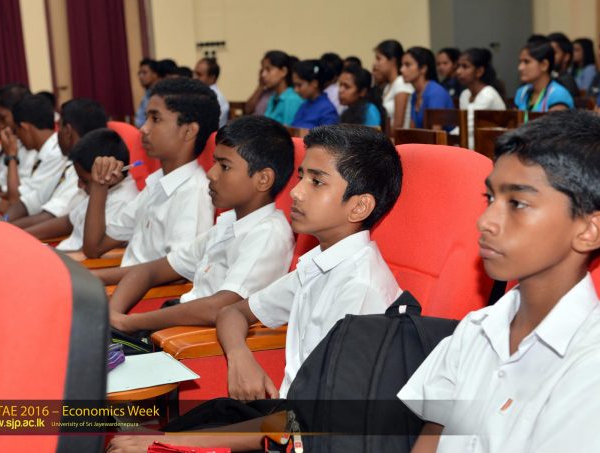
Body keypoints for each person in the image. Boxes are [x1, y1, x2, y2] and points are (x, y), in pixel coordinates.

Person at [106, 125, 405, 452]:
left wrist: (165, 443)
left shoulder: (359, 290)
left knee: (144, 440)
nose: (296, 192)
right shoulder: (317, 267)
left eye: (317, 182)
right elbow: (233, 312)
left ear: (359, 207)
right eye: (301, 177)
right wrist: (239, 356)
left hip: (306, 437)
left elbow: (314, 424)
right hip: (283, 421)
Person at [399, 110, 600, 452]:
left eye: (517, 203)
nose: (485, 221)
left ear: (589, 231)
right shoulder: (476, 328)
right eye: (490, 198)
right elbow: (431, 438)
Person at [109, 116, 295, 334]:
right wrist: (114, 315)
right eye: (214, 162)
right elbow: (149, 271)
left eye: (224, 166)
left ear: (263, 179)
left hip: (194, 340)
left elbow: (220, 308)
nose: (211, 173)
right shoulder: (228, 224)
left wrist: (130, 323)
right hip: (175, 327)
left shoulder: (268, 235)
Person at [84, 78, 218, 285]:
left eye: (155, 119)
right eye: (146, 118)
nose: (143, 129)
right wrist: (99, 186)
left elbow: (178, 274)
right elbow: (94, 247)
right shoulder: (156, 185)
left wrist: (95, 279)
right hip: (124, 287)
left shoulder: (194, 192)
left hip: (149, 297)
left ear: (189, 131)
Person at [24, 128, 138, 251]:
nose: (79, 185)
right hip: (63, 253)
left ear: (108, 174)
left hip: (75, 259)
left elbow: (91, 252)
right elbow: (68, 222)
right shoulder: (105, 189)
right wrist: (22, 235)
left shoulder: (122, 202)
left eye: (84, 180)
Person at [13, 98, 109, 230]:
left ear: (67, 131)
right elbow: (30, 201)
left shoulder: (86, 172)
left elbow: (51, 218)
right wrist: (4, 222)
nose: (56, 134)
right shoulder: (69, 164)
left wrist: (7, 229)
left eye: (59, 127)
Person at [0, 95, 67, 219]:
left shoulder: (56, 154)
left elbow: (15, 198)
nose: (18, 137)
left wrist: (11, 156)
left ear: (25, 128)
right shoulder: (41, 152)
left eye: (16, 131)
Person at [455, 48, 507, 149]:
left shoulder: (488, 94)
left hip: (491, 147)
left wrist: (447, 138)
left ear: (479, 71)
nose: (458, 71)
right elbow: (462, 125)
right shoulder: (465, 94)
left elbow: (468, 126)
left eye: (465, 66)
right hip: (471, 144)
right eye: (458, 66)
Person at [514, 39, 574, 120]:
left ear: (544, 65)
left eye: (526, 62)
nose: (520, 68)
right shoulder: (521, 92)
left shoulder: (558, 94)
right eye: (520, 62)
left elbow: (554, 127)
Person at [401, 47, 455, 129]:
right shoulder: (415, 95)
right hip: (423, 137)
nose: (401, 69)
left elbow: (436, 133)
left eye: (407, 65)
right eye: (402, 65)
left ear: (423, 68)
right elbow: (412, 131)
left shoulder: (435, 93)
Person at [373, 39, 414, 129]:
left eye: (379, 59)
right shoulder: (388, 86)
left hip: (401, 136)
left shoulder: (401, 83)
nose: (375, 64)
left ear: (392, 60)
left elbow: (398, 125)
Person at [290, 60, 340, 129]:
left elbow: (327, 135)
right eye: (294, 85)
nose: (296, 90)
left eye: (299, 85)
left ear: (314, 83)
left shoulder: (327, 111)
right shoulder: (304, 104)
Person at [261, 50, 304, 126]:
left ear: (283, 71)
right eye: (263, 70)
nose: (263, 74)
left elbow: (289, 131)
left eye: (268, 69)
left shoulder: (292, 99)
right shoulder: (274, 97)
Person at [193, 57, 230, 127]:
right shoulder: (200, 93)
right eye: (194, 73)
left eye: (199, 74)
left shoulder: (215, 98)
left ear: (212, 78)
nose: (194, 77)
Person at [547, 32, 581, 98]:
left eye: (554, 53)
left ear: (566, 57)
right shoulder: (546, 78)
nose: (549, 56)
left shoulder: (566, 81)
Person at [134, 59, 160, 127]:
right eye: (139, 73)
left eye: (144, 73)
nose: (140, 76)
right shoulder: (146, 95)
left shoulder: (161, 95)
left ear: (155, 74)